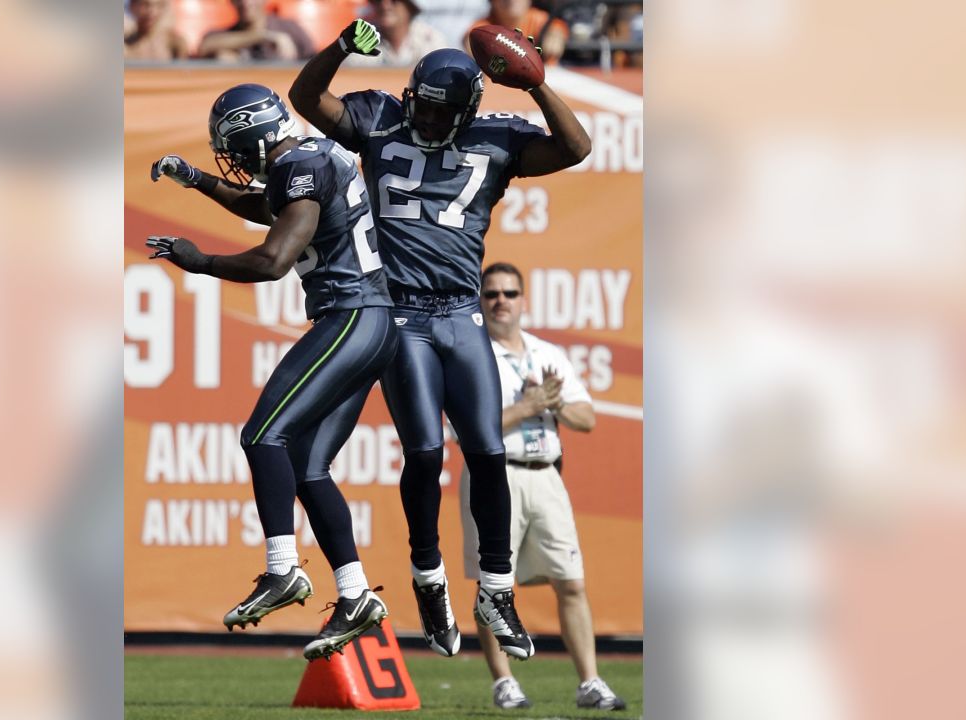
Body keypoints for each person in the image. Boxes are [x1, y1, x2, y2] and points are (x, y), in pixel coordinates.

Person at [290, 25, 591, 661]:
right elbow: (306, 95)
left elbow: (575, 147)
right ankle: (428, 576)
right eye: (419, 103)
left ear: (466, 112)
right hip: (398, 312)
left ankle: (497, 589)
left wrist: (538, 86)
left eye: (437, 109)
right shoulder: (379, 116)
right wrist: (342, 47)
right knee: (425, 451)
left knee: (486, 448)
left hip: (460, 311)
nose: (424, 117)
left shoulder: (496, 136)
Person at [147, 83, 397, 660]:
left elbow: (274, 259)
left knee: (262, 435)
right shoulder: (308, 157)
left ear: (253, 137)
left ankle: (283, 569)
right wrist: (195, 179)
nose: (231, 158)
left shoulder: (302, 165)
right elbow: (265, 207)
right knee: (308, 468)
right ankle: (356, 595)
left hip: (352, 314)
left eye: (231, 147)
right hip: (368, 320)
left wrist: (200, 261)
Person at [460, 262, 628, 710]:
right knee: (493, 585)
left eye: (509, 293)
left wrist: (553, 404)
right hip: (495, 473)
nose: (501, 301)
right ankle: (504, 682)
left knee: (571, 581)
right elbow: (466, 432)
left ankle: (590, 682)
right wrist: (526, 406)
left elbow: (586, 418)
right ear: (480, 298)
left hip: (546, 473)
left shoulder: (546, 353)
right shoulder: (471, 355)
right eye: (492, 293)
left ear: (522, 300)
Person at [198, 0, 315, 61]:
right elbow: (205, 46)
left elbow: (314, 59)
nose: (245, 2)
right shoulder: (224, 34)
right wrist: (261, 36)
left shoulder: (289, 29)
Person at [344, 0, 450, 67]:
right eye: (378, 0)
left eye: (394, 0)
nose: (385, 5)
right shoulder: (361, 39)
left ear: (411, 7)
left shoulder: (431, 39)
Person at [466, 0, 567, 63]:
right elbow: (470, 39)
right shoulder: (485, 26)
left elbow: (557, 28)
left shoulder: (540, 21)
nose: (511, 0)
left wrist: (556, 33)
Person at [124, 0, 191, 61]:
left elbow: (182, 72)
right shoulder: (125, 45)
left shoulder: (174, 42)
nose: (152, 11)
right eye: (145, 5)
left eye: (158, 5)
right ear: (132, 6)